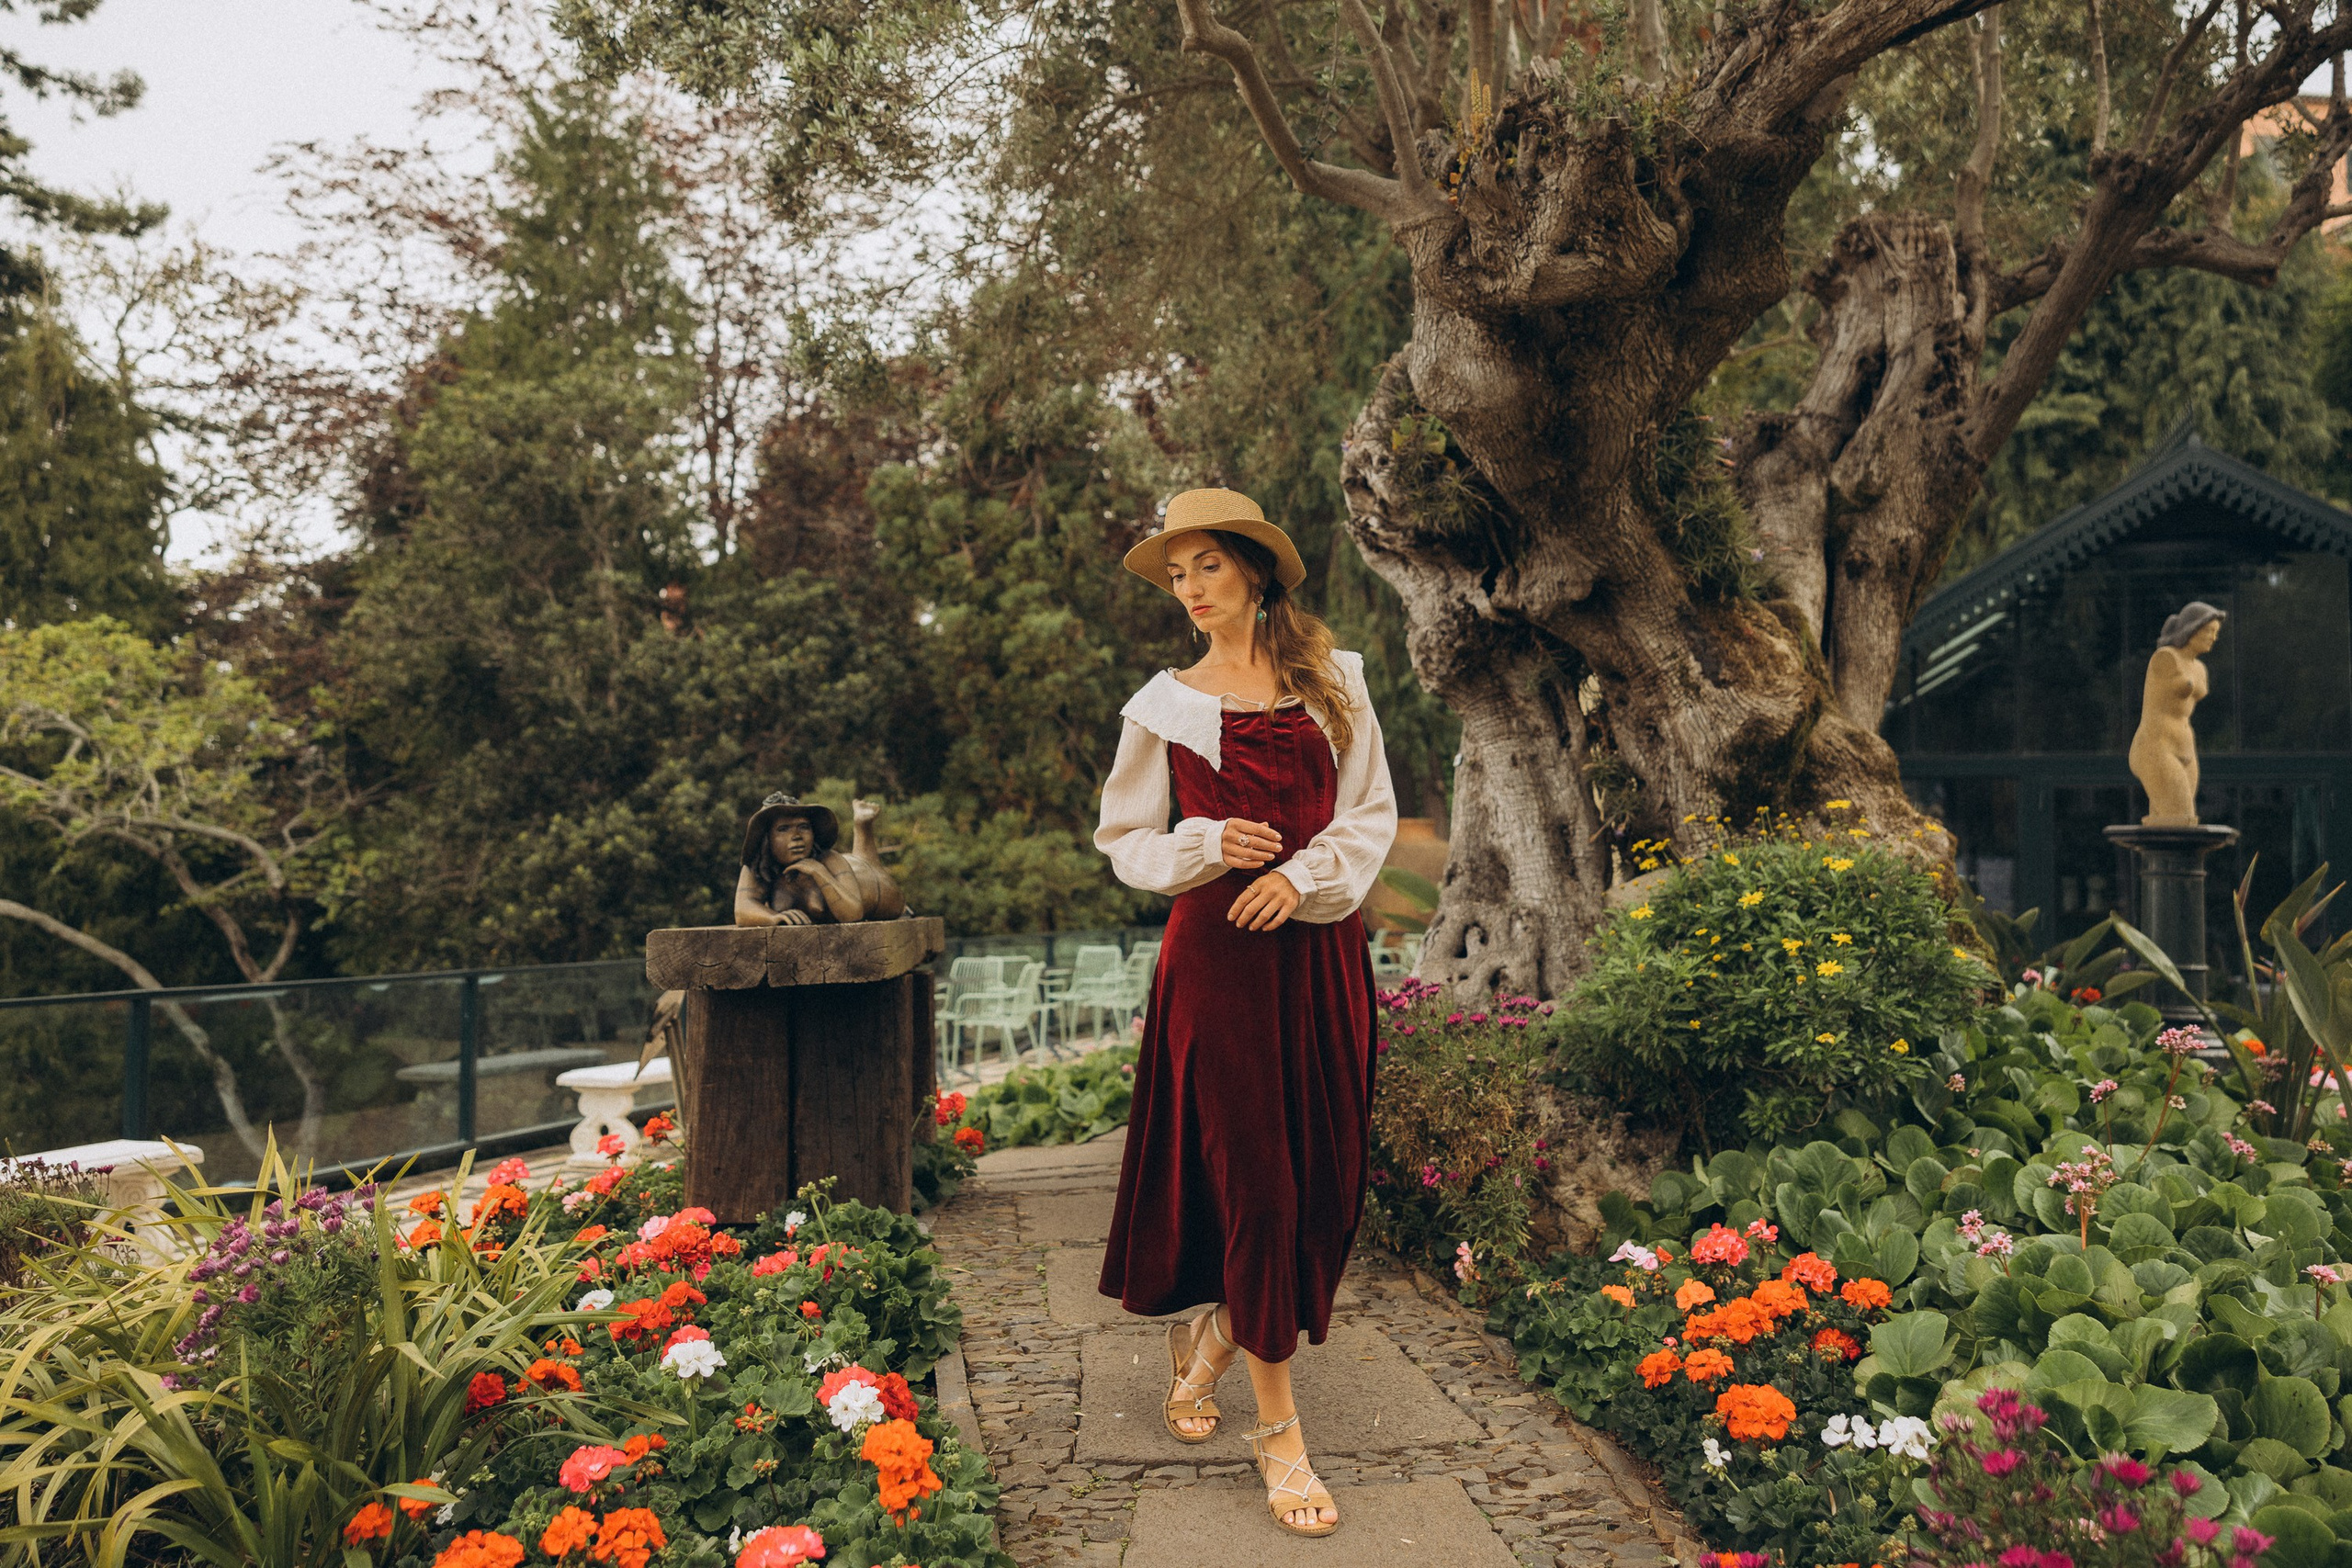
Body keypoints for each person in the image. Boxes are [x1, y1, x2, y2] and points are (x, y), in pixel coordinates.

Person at [1092, 487, 1398, 1539]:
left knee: (1323, 1178)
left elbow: (1370, 816)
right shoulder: (1162, 704)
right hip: (1216, 961)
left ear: (1256, 572)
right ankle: (1280, 1438)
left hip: (1318, 953)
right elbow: (1125, 838)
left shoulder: (1336, 683)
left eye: (1205, 568)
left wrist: (1305, 878)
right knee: (1261, 1185)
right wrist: (1205, 846)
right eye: (1176, 576)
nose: (1187, 591)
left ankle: (1216, 1333)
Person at [733, 794, 906, 925]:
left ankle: (863, 826)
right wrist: (772, 917)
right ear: (766, 838)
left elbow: (853, 913)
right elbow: (742, 910)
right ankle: (862, 825)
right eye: (783, 829)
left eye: (804, 827)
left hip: (874, 886)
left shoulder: (830, 860)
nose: (796, 836)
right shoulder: (758, 866)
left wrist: (819, 872)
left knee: (869, 867)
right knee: (858, 860)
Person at [2128, 602, 2225, 826]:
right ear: (2193, 630)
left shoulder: (2199, 668)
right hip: (2156, 748)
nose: (2213, 637)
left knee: (2179, 819)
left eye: (2216, 633)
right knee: (2179, 819)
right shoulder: (2165, 657)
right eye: (2209, 631)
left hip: (2185, 748)